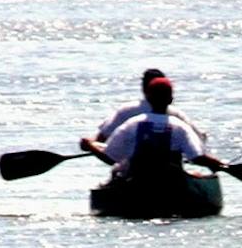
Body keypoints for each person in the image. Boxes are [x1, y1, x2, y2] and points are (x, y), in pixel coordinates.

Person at [82, 76, 225, 178]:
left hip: (136, 182)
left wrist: (90, 146)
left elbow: (110, 158)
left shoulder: (131, 124)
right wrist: (218, 164)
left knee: (117, 174)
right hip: (171, 183)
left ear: (148, 98)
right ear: (171, 100)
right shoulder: (180, 127)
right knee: (197, 175)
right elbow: (197, 157)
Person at [92, 68, 207, 146]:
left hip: (131, 170)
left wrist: (89, 145)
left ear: (143, 89)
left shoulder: (127, 113)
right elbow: (199, 140)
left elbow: (101, 140)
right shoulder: (177, 117)